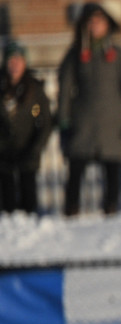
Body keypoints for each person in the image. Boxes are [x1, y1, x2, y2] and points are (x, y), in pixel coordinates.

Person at [56, 0, 121, 216]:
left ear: (107, 25)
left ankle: (110, 212)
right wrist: (64, 120)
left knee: (112, 174)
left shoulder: (118, 56)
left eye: (99, 21)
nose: (94, 26)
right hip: (83, 126)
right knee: (75, 172)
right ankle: (71, 212)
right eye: (91, 22)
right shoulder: (74, 56)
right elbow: (64, 89)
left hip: (113, 128)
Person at [0, 40, 53, 215]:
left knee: (28, 199)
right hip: (4, 155)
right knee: (6, 201)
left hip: (28, 153)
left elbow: (43, 121)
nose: (15, 65)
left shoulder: (34, 91)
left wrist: (35, 148)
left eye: (18, 60)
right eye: (11, 61)